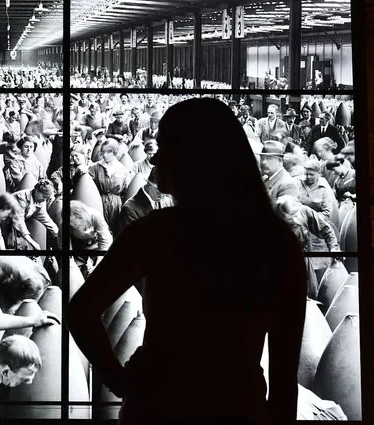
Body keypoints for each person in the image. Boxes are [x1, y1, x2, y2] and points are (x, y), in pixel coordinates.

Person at [68, 98, 307, 425]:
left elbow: (81, 310)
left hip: (160, 408)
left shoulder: (154, 232)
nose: (156, 157)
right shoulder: (279, 243)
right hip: (238, 409)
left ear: (193, 157)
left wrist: (118, 379)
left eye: (165, 145)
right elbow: (283, 375)